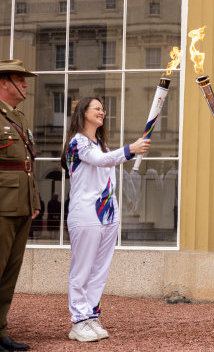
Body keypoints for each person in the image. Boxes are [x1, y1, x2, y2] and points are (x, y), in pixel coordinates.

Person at [60, 97, 150, 342]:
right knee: (82, 270)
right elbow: (99, 162)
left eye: (103, 109)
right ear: (83, 113)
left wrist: (127, 152)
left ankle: (90, 316)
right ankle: (78, 321)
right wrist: (131, 150)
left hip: (108, 215)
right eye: (97, 108)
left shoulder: (101, 144)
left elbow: (106, 163)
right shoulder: (77, 142)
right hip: (86, 213)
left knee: (99, 270)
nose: (102, 112)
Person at [0, 59, 41, 352]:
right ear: (4, 82)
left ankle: (0, 331)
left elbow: (27, 164)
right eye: (20, 79)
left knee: (10, 273)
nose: (26, 84)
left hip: (21, 204)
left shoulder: (21, 118)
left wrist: (34, 200)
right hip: (2, 204)